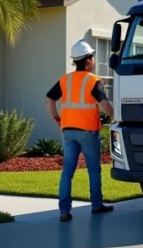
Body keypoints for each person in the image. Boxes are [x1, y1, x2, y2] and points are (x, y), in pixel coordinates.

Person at [45, 40, 116, 222]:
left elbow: (49, 99)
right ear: (87, 61)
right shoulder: (93, 80)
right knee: (93, 170)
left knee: (68, 171)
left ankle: (64, 211)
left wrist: (57, 118)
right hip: (88, 132)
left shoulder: (65, 80)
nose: (93, 61)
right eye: (92, 57)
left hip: (68, 131)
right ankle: (97, 205)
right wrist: (116, 117)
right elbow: (105, 105)